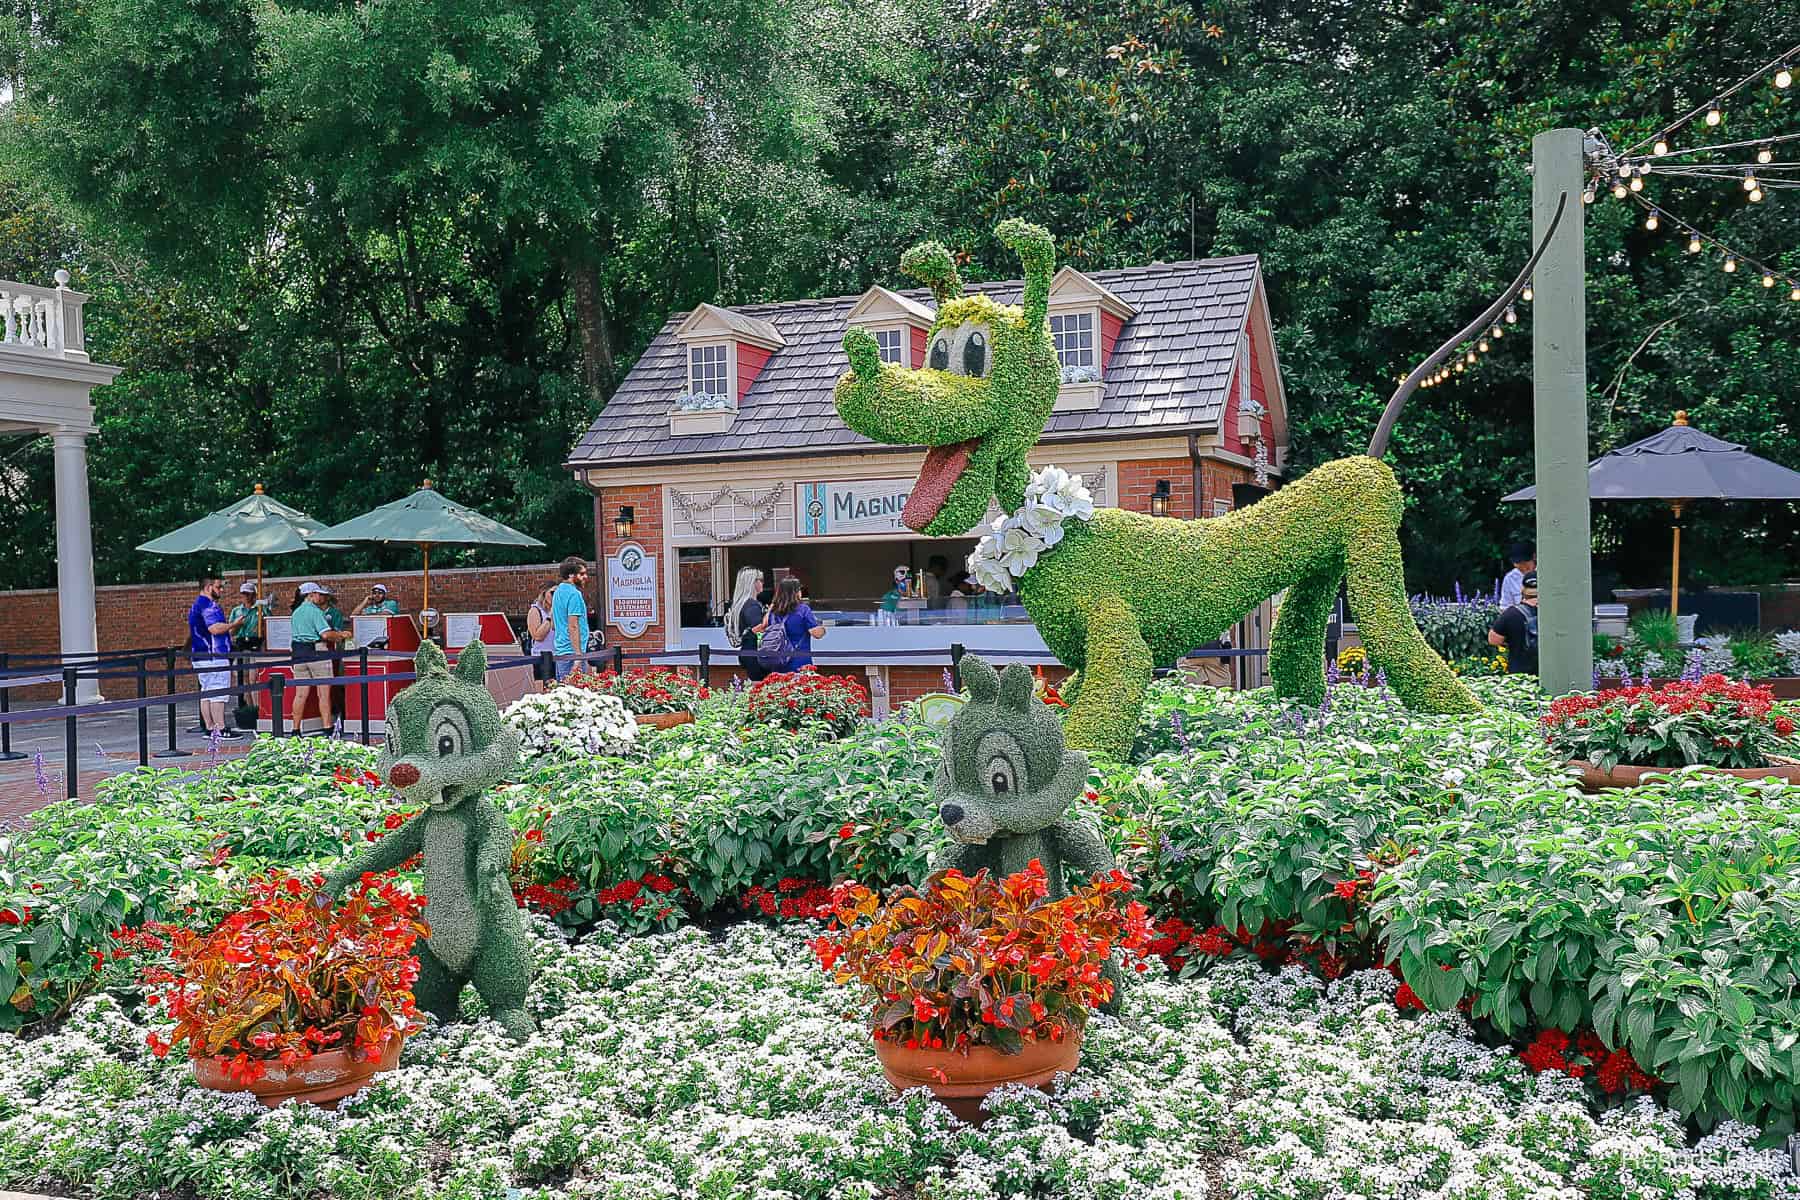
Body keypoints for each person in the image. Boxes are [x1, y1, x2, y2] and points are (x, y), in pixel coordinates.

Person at [188, 573, 247, 739]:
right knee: (218, 693)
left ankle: (209, 728)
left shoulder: (195, 605)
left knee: (206, 691)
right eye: (218, 587)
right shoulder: (209, 605)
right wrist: (234, 624)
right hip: (214, 655)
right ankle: (220, 729)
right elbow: (214, 628)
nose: (221, 590)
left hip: (199, 656)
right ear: (208, 587)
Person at [288, 581, 352, 733]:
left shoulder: (296, 612)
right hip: (317, 652)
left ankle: (295, 730)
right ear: (310, 595)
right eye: (317, 593)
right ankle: (327, 728)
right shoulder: (315, 612)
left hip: (299, 653)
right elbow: (325, 634)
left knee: (300, 694)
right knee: (323, 693)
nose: (320, 596)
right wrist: (342, 635)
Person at [755, 576, 826, 671]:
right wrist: (823, 628)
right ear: (795, 592)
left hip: (778, 663)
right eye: (799, 590)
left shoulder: (774, 610)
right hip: (800, 663)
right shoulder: (803, 609)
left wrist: (771, 607)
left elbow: (763, 626)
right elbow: (816, 634)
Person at [1488, 571, 1540, 677]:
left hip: (1520, 675)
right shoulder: (1555, 612)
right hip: (1551, 674)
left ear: (1523, 590)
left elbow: (1493, 640)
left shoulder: (1511, 614)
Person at [724, 567, 770, 681]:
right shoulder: (752, 605)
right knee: (760, 689)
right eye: (760, 580)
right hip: (756, 653)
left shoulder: (741, 604)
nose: (763, 583)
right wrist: (771, 612)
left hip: (748, 651)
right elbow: (758, 628)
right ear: (752, 582)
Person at [551, 556, 592, 680]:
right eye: (581, 574)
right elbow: (573, 625)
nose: (586, 577)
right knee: (578, 695)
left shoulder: (557, 592)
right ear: (570, 575)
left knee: (562, 693)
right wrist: (578, 655)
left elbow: (553, 625)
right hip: (573, 652)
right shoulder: (574, 594)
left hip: (560, 651)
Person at [526, 581, 558, 690]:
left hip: (558, 655)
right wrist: (550, 617)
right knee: (544, 689)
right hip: (542, 657)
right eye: (552, 593)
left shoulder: (559, 610)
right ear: (544, 594)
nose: (555, 597)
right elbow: (537, 636)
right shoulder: (535, 610)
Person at [1499, 541, 1536, 608]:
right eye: (1519, 563)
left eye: (1524, 562)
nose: (1523, 566)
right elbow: (1505, 605)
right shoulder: (1510, 578)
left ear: (1534, 557)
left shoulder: (1545, 573)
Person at [229, 581, 263, 651]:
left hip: (256, 641)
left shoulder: (262, 610)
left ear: (254, 595)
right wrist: (237, 625)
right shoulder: (236, 611)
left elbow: (269, 627)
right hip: (240, 641)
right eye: (244, 594)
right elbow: (230, 632)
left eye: (248, 594)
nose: (246, 596)